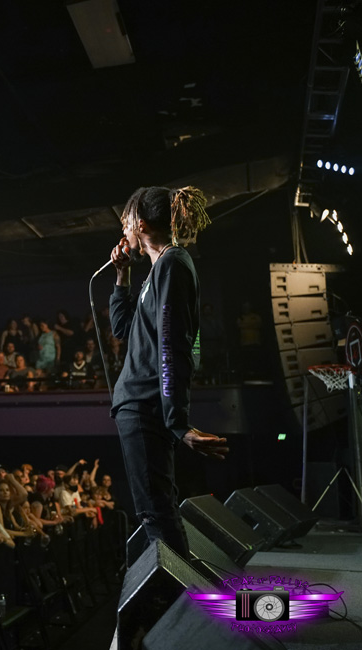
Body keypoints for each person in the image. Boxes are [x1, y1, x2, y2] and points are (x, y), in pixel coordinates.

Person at [109, 185, 228, 558]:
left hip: (145, 405)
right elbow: (122, 329)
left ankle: (186, 605)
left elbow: (174, 345)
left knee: (155, 511)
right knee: (155, 509)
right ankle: (178, 602)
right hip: (140, 403)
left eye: (126, 221)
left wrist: (178, 423)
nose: (122, 229)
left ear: (140, 224)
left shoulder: (174, 263)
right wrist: (121, 276)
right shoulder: (158, 269)